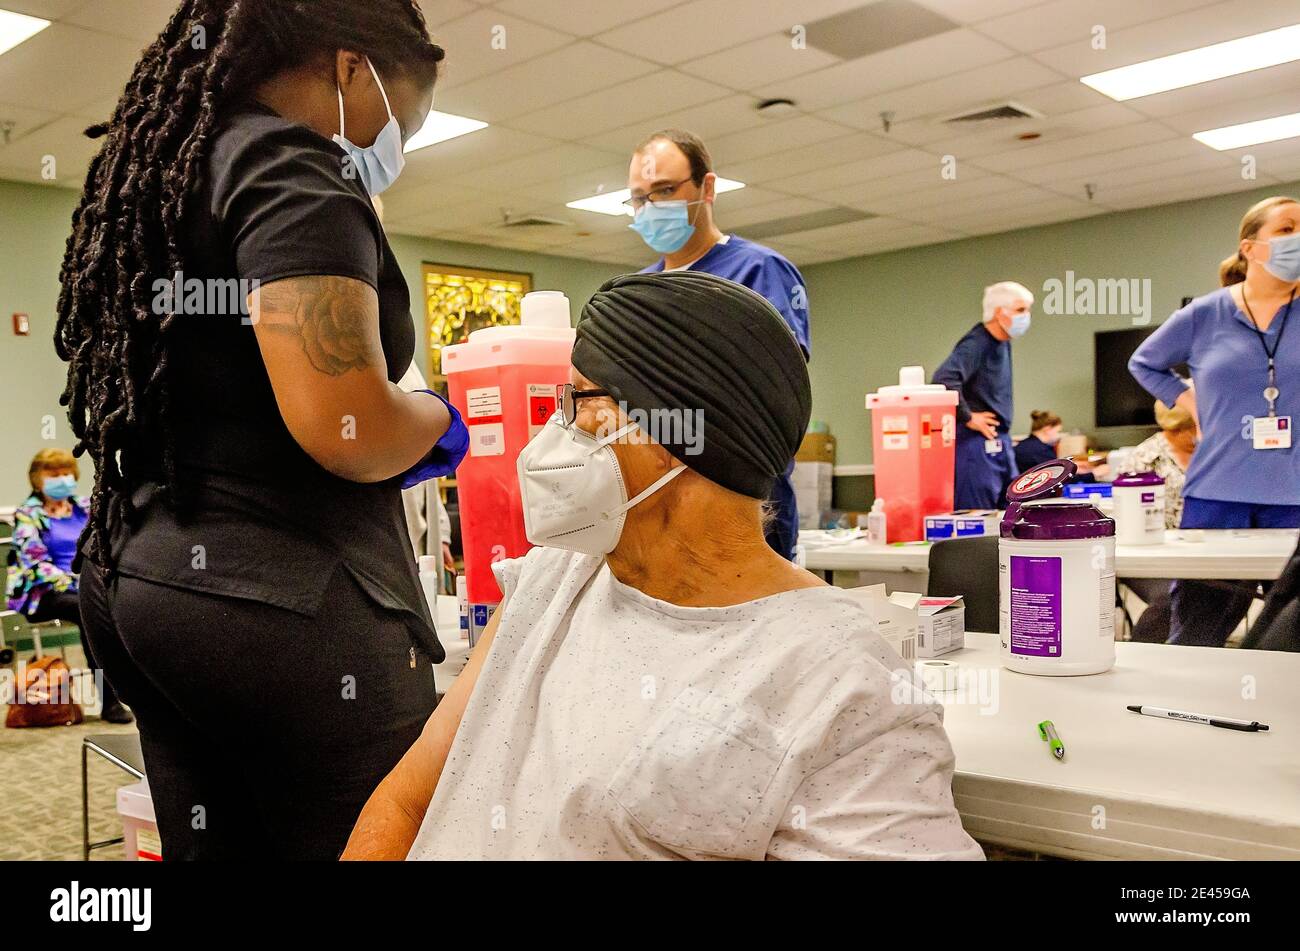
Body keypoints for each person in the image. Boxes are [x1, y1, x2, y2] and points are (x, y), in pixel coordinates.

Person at [343, 272, 983, 861]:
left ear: (678, 433)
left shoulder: (839, 688)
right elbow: (409, 801)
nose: (555, 432)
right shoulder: (549, 583)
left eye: (580, 402)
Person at [57, 1, 467, 859]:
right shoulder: (296, 170)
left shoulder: (169, 161)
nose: (392, 151)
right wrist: (435, 420)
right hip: (283, 604)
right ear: (352, 68)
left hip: (144, 581)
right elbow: (346, 423)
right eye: (404, 119)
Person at [628, 129, 810, 560]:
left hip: (745, 506)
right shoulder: (637, 293)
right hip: (659, 506)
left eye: (665, 190)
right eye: (639, 198)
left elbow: (777, 393)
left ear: (707, 187)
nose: (650, 207)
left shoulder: (759, 272)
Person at [1129, 195, 1300, 646]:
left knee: (1290, 638)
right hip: (1218, 496)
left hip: (1294, 494)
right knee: (1198, 633)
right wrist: (1190, 400)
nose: (1298, 238)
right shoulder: (1205, 314)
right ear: (1250, 247)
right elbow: (1144, 363)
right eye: (1287, 228)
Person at [5, 450, 131, 723]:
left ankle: (135, 691)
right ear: (37, 479)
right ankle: (110, 701)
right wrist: (78, 583)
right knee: (88, 610)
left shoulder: (86, 507)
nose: (62, 479)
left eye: (66, 473)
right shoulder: (28, 515)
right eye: (53, 474)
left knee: (124, 602)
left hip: (86, 585)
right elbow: (34, 564)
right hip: (43, 593)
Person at [933, 282, 1034, 509]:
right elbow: (944, 379)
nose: (1026, 317)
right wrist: (969, 417)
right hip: (976, 447)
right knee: (977, 518)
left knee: (1012, 511)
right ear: (1000, 313)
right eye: (1020, 310)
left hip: (1000, 442)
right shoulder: (977, 343)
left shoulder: (1003, 343)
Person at [1123, 400, 1198, 643]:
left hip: (1199, 549)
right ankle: (1141, 658)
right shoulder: (1144, 459)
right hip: (1151, 553)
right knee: (1172, 599)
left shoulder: (1211, 453)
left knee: (1228, 592)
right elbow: (1126, 520)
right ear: (1180, 429)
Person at [1015, 410, 1107, 481]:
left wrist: (1071, 466)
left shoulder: (1025, 446)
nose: (1059, 436)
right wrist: (1093, 474)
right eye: (1058, 431)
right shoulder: (1040, 451)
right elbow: (1058, 480)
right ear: (1048, 429)